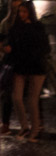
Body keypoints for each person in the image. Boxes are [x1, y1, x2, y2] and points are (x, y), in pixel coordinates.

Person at [3, 0, 46, 142]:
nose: (21, 14)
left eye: (24, 11)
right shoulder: (16, 27)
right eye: (20, 11)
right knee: (16, 97)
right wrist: (8, 49)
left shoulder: (37, 27)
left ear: (30, 12)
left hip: (35, 67)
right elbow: (9, 42)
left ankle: (35, 131)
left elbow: (44, 48)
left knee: (32, 100)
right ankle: (24, 127)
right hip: (19, 66)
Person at [0, 0, 27, 137]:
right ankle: (6, 124)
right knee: (8, 94)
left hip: (22, 63)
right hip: (9, 62)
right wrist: (4, 48)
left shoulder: (25, 22)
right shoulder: (6, 23)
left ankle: (31, 125)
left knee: (19, 96)